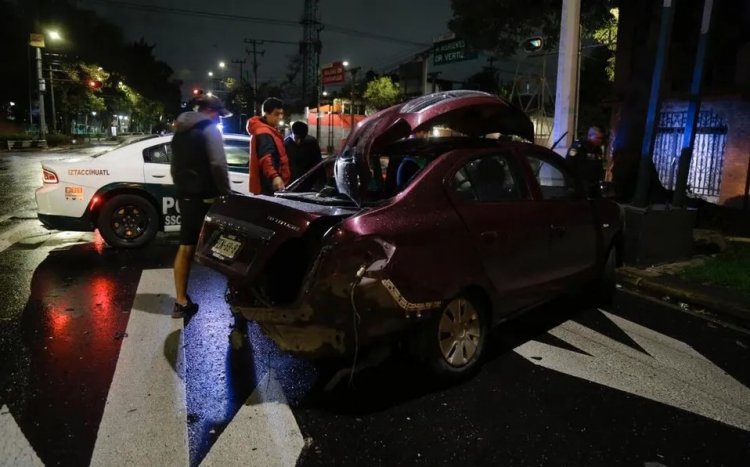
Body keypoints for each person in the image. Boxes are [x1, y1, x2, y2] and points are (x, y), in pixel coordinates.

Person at [169, 94, 232, 318]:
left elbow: (174, 166)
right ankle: (235, 299)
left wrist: (182, 187)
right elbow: (218, 164)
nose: (218, 120)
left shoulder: (180, 130)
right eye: (218, 115)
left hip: (186, 194)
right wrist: (226, 192)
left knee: (186, 246)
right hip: (207, 195)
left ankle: (181, 301)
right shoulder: (209, 129)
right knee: (225, 245)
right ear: (210, 111)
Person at [246, 97, 291, 194]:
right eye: (276, 114)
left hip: (269, 185)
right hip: (268, 187)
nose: (280, 117)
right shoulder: (264, 132)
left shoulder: (268, 130)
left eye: (281, 114)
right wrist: (274, 176)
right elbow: (266, 158)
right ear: (266, 113)